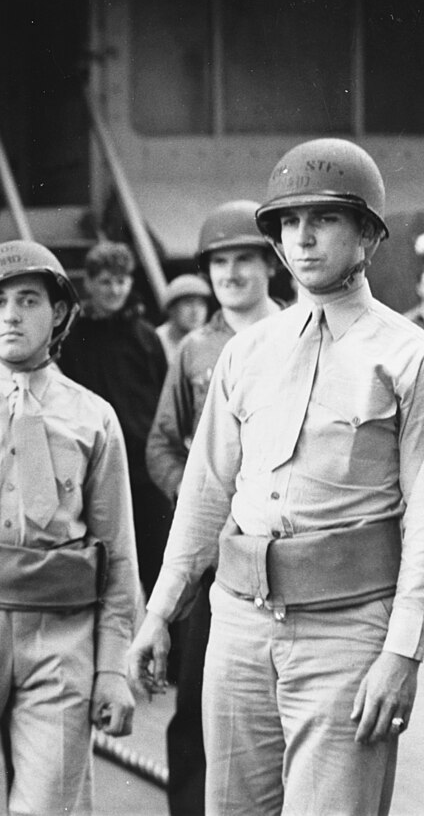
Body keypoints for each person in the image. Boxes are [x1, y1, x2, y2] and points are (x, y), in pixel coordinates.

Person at [128, 138, 424, 815]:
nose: (303, 238)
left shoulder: (406, 357)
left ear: (368, 234)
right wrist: (161, 611)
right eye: (290, 222)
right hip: (238, 625)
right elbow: (205, 493)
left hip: (346, 632)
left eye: (325, 219)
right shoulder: (247, 354)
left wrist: (402, 653)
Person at [0, 241, 141, 815]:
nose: (11, 315)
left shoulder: (93, 417)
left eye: (28, 300)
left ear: (60, 313)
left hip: (61, 637)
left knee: (52, 806)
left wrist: (112, 668)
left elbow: (118, 552)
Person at [143, 200, 282, 816]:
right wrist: (197, 500)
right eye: (219, 262)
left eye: (244, 259)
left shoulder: (303, 332)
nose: (231, 273)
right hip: (214, 560)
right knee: (200, 698)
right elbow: (161, 444)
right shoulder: (195, 350)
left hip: (282, 545)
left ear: (271, 264)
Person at [57, 240, 171, 595]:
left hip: (145, 469)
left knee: (158, 567)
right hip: (95, 465)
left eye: (121, 281)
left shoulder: (146, 336)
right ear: (89, 283)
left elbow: (163, 399)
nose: (115, 290)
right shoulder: (72, 337)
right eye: (106, 281)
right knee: (105, 570)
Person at [155, 273, 212, 365]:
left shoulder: (211, 341)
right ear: (171, 308)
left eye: (201, 304)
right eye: (188, 303)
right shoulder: (155, 341)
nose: (195, 311)